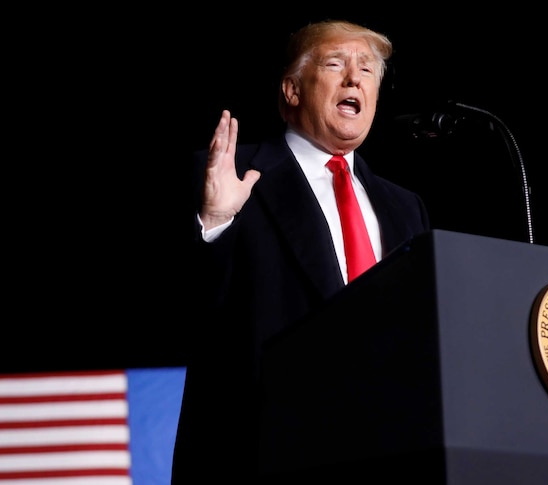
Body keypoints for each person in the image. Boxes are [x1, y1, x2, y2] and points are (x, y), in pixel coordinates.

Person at [172, 19, 430, 484]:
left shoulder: (405, 206)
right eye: (336, 64)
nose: (355, 79)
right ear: (292, 90)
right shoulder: (229, 175)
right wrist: (214, 224)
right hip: (263, 454)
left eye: (368, 70)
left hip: (390, 452)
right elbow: (182, 311)